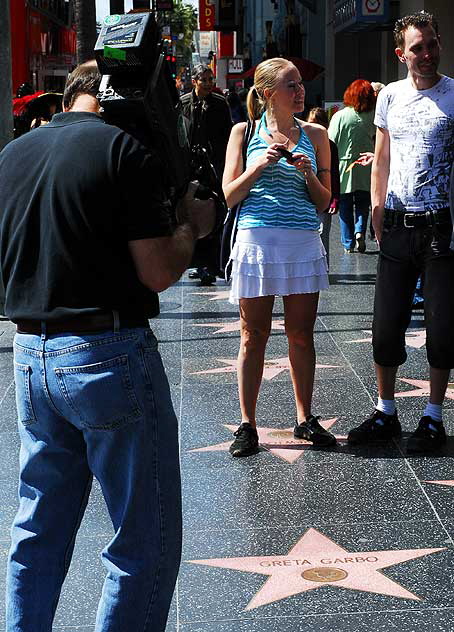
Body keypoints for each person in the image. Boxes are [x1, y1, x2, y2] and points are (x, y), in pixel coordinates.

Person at [0, 62, 215, 631]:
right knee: (142, 536)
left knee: (37, 529)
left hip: (30, 356)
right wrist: (191, 227)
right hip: (108, 353)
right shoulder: (124, 152)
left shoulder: (13, 154)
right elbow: (158, 271)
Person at [347, 11, 454, 453]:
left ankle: (432, 416)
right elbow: (382, 156)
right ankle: (386, 410)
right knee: (385, 328)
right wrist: (375, 205)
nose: (426, 54)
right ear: (401, 53)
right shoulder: (389, 96)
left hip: (441, 228)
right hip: (396, 222)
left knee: (443, 329)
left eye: (431, 44)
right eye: (417, 47)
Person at [222, 58, 334, 457]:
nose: (300, 91)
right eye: (292, 86)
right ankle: (247, 423)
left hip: (302, 240)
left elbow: (325, 201)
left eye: (301, 84)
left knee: (301, 335)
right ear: (269, 93)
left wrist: (308, 174)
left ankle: (304, 418)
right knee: (253, 335)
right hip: (257, 240)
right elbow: (231, 195)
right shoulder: (244, 131)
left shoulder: (316, 134)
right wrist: (257, 167)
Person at [181, 64, 233, 285]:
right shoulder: (183, 103)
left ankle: (211, 264)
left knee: (213, 213)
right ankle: (197, 263)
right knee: (192, 213)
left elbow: (228, 135)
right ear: (194, 81)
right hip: (190, 167)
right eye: (204, 79)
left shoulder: (220, 104)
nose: (209, 83)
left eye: (211, 79)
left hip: (214, 167)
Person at [328, 79, 376, 253]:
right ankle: (359, 232)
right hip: (367, 165)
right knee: (363, 203)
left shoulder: (340, 116)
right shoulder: (373, 115)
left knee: (345, 206)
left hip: (343, 167)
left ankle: (348, 243)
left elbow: (330, 141)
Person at [306, 106, 340, 266]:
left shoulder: (330, 145)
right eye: (311, 123)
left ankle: (323, 266)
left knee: (322, 232)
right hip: (304, 194)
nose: (314, 127)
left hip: (324, 193)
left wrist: (334, 199)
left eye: (318, 123)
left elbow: (334, 173)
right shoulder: (302, 142)